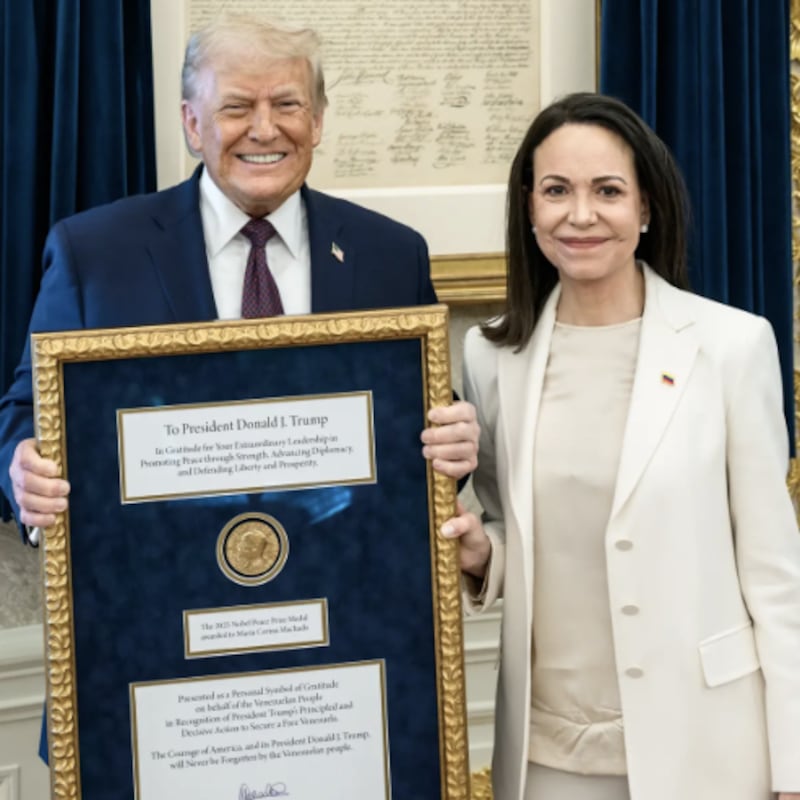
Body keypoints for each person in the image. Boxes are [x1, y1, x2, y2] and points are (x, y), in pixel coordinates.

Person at [440, 92, 800, 800]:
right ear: (529, 209)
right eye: (556, 192)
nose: (580, 215)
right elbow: (517, 526)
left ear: (645, 209)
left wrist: (795, 765)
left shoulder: (731, 346)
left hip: (709, 745)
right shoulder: (490, 357)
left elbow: (774, 573)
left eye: (607, 191)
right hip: (546, 756)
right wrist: (483, 556)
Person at [0, 14, 478, 543]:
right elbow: (29, 410)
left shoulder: (390, 254)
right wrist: (23, 468)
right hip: (156, 584)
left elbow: (423, 419)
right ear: (191, 124)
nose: (265, 129)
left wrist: (455, 445)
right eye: (236, 107)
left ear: (317, 120)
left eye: (288, 104)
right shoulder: (94, 254)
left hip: (345, 582)